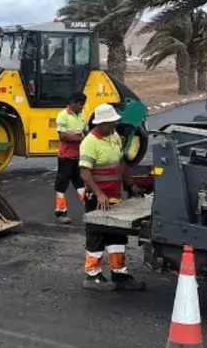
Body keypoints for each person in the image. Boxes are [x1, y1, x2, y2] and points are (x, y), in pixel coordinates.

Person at [78, 103, 145, 292]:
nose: (114, 126)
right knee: (96, 235)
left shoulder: (115, 137)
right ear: (101, 124)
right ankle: (92, 275)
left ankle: (119, 274)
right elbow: (85, 172)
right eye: (110, 123)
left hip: (115, 197)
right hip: (97, 198)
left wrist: (130, 184)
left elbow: (121, 162)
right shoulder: (89, 142)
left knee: (117, 236)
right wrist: (99, 194)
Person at [53, 92, 88, 223]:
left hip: (79, 156)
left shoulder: (82, 115)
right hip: (65, 158)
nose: (82, 107)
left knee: (81, 184)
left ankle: (90, 211)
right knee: (62, 185)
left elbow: (85, 131)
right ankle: (60, 212)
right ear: (72, 103)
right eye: (80, 104)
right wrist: (82, 139)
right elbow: (63, 136)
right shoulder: (63, 116)